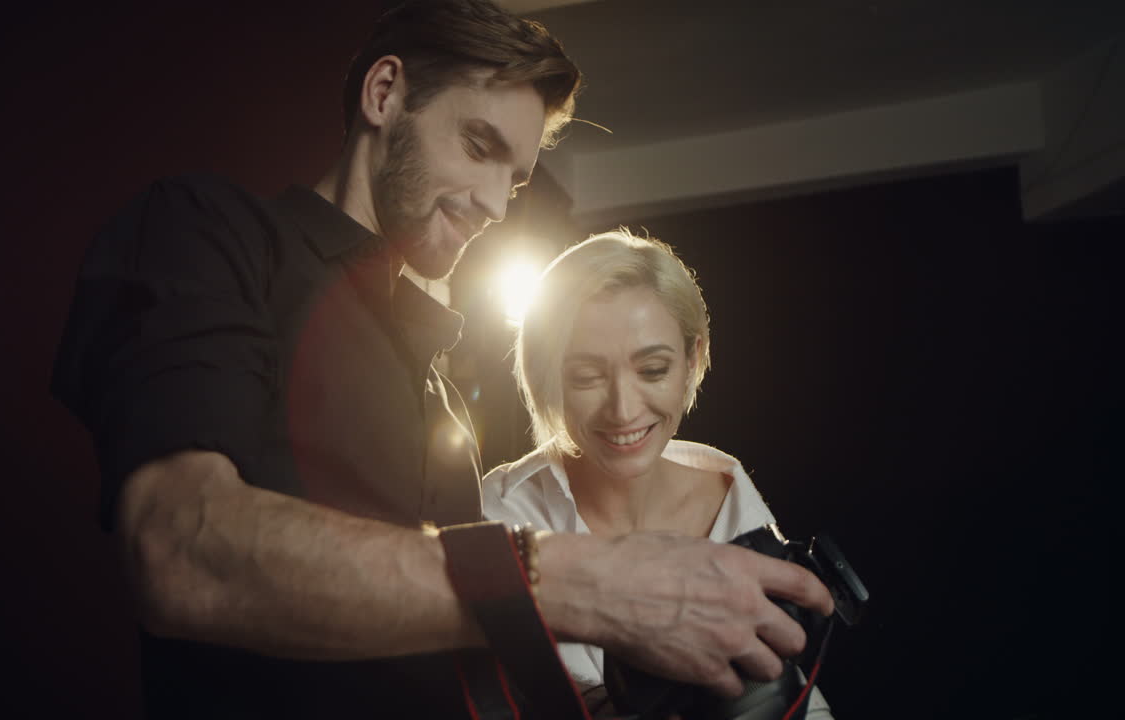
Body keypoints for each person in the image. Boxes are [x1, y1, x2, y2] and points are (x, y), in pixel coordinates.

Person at [50, 1, 833, 717]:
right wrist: (593, 583)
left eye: (515, 179)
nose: (496, 203)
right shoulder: (209, 231)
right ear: (385, 94)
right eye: (479, 147)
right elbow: (181, 550)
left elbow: (453, 668)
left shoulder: (442, 389)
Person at [483, 229, 834, 717]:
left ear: (692, 360)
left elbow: (786, 694)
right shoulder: (497, 513)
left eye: (652, 370)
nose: (623, 410)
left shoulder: (732, 500)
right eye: (586, 377)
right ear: (547, 374)